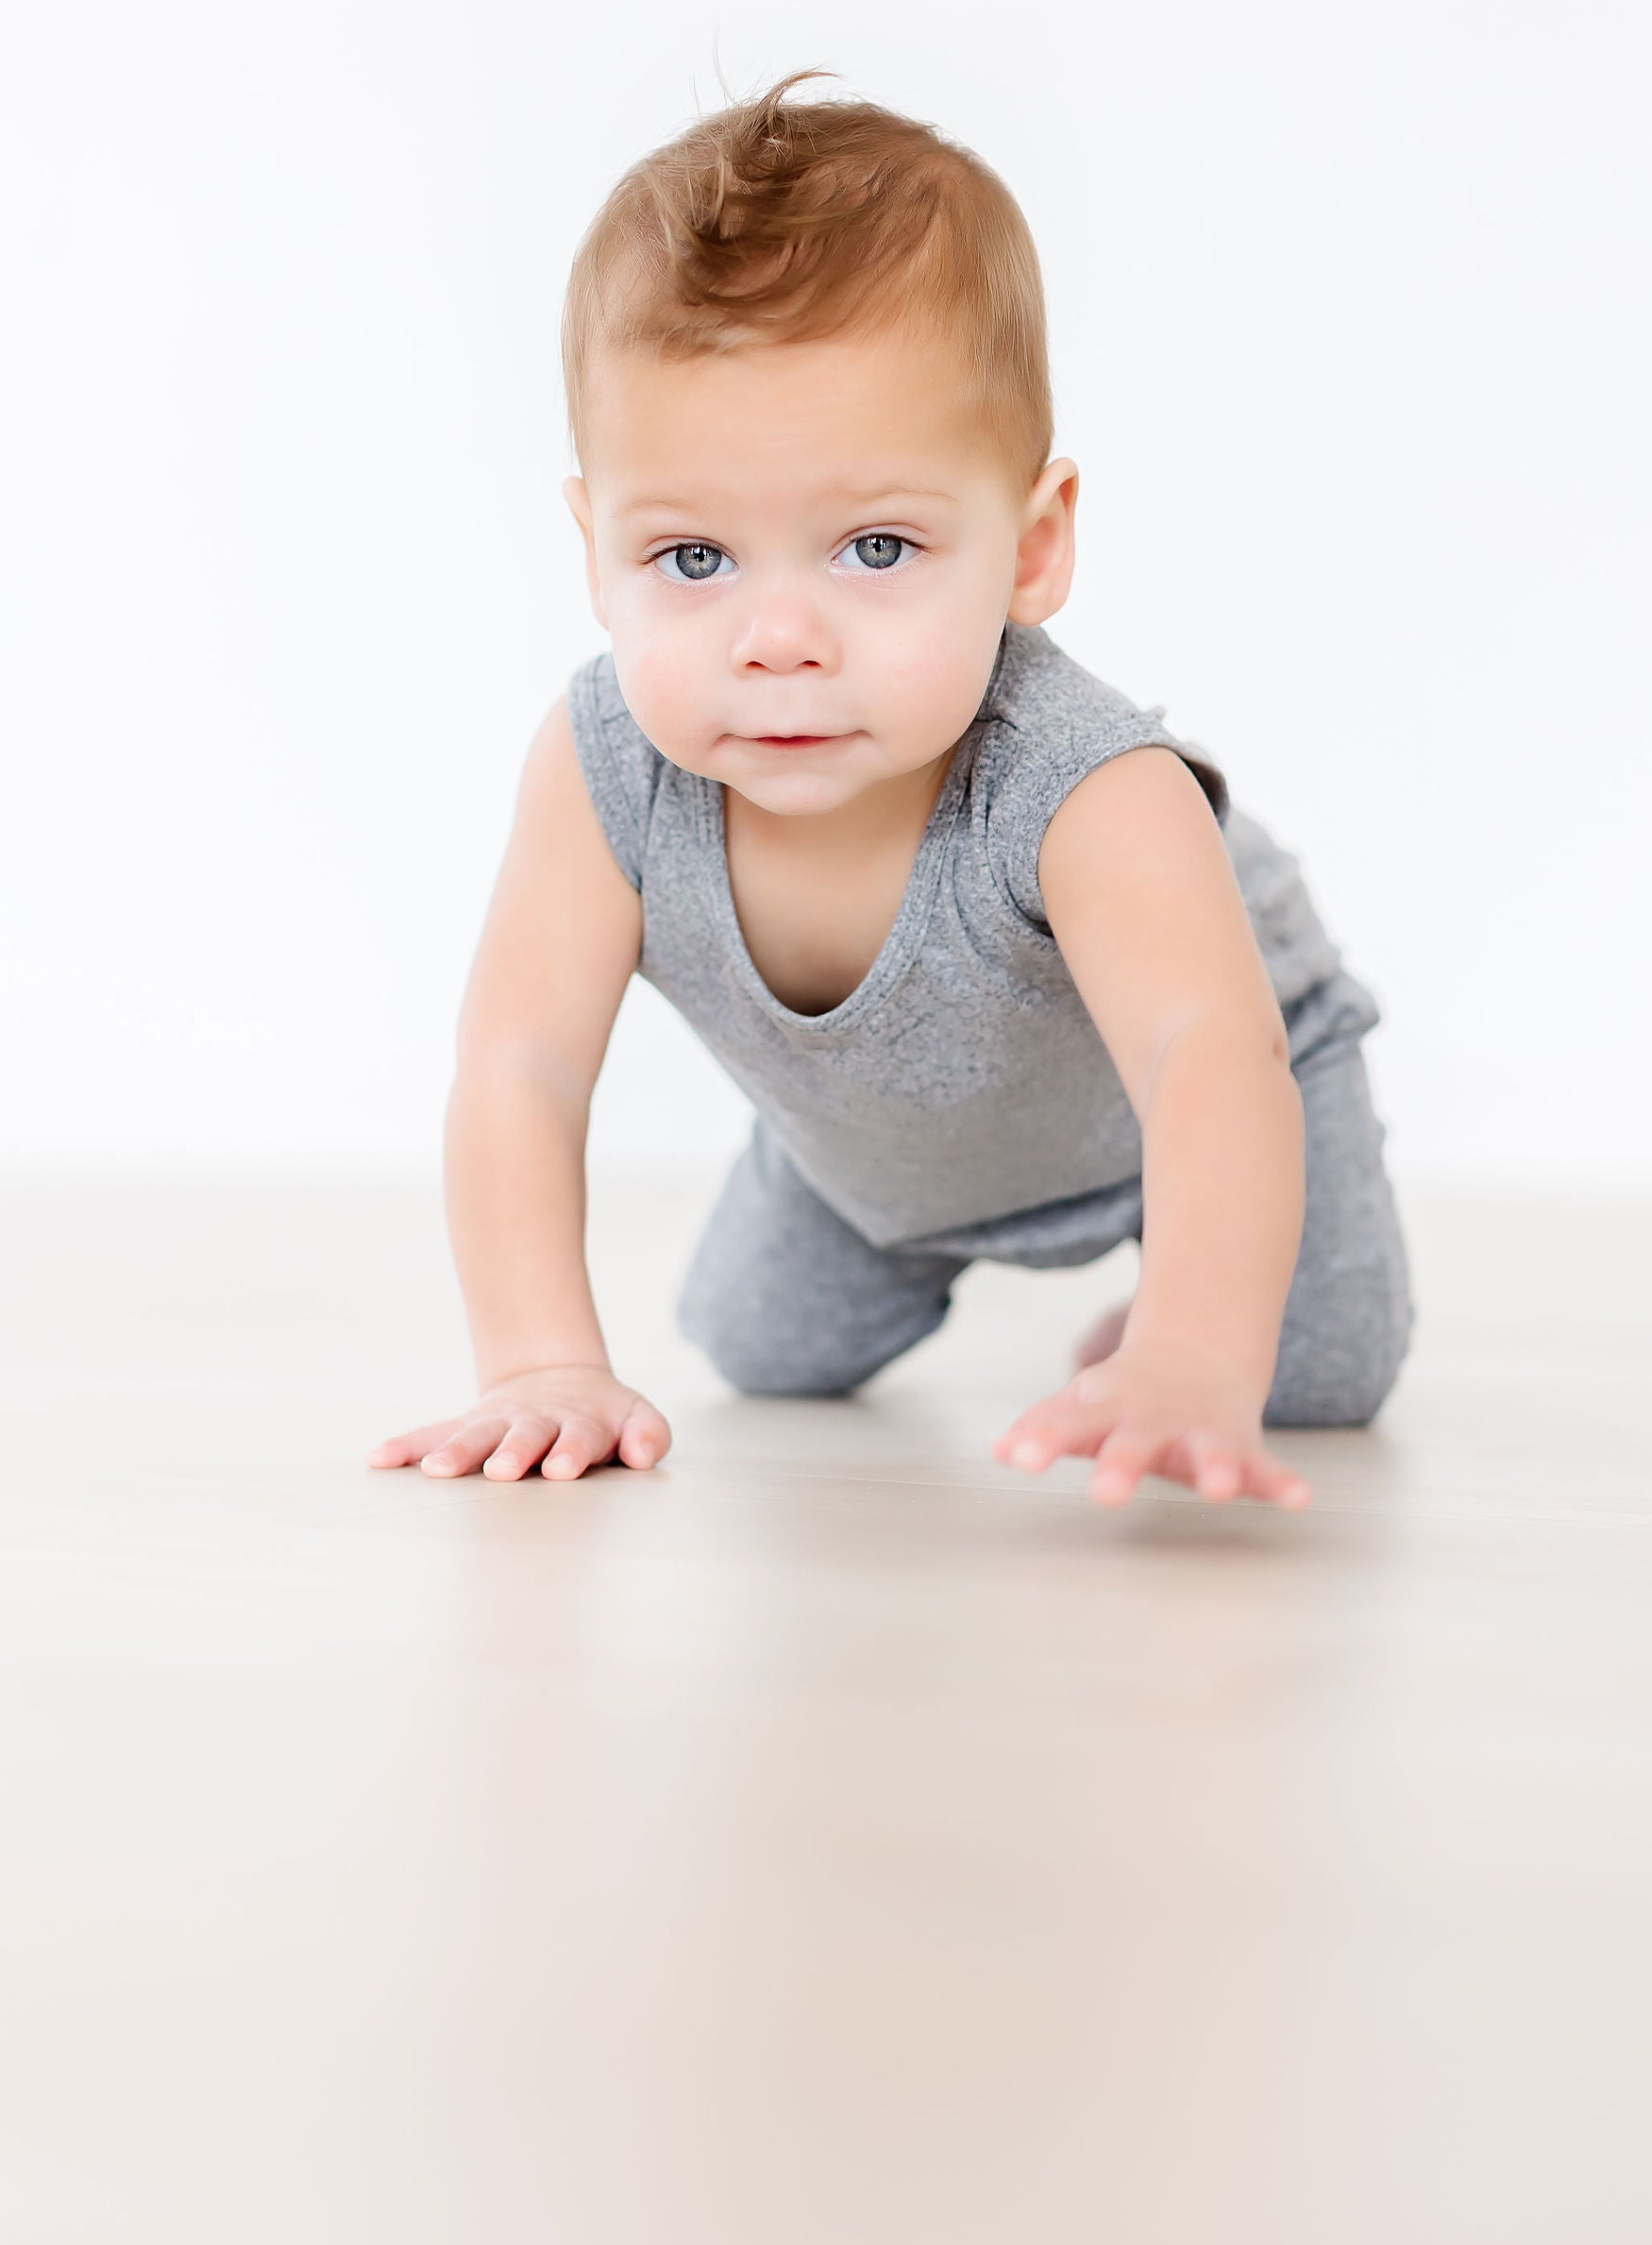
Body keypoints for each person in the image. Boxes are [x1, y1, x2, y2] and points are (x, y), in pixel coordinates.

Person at [369, 78, 1412, 1509]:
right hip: (880, 1155)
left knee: (1318, 1371)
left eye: (874, 549)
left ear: (1033, 548)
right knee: (759, 1348)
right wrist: (539, 1364)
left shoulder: (1082, 782)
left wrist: (1189, 1349)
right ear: (593, 548)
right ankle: (870, 1164)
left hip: (1199, 1111)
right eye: (691, 559)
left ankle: (1153, 1320)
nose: (779, 637)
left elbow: (1202, 1056)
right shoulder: (605, 767)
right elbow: (519, 1068)